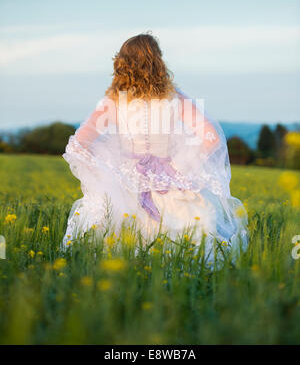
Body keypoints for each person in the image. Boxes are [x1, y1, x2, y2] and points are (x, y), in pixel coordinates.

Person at [62, 33, 248, 262]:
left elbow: (79, 143)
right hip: (170, 179)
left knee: (114, 235)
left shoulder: (114, 101)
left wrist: (107, 168)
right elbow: (212, 138)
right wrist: (183, 167)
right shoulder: (175, 98)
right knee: (192, 234)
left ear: (122, 64)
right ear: (158, 62)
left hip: (127, 182)